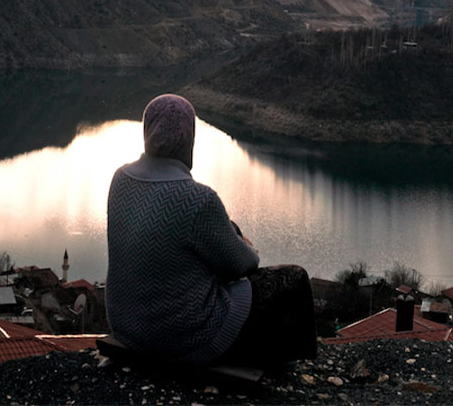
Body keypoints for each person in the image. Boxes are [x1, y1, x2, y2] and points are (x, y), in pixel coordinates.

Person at [106, 94, 316, 368]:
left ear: (147, 130)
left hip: (127, 328)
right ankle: (297, 367)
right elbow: (243, 265)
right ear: (189, 139)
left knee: (227, 231)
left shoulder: (120, 179)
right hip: (180, 339)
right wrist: (246, 245)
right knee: (292, 278)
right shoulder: (197, 199)